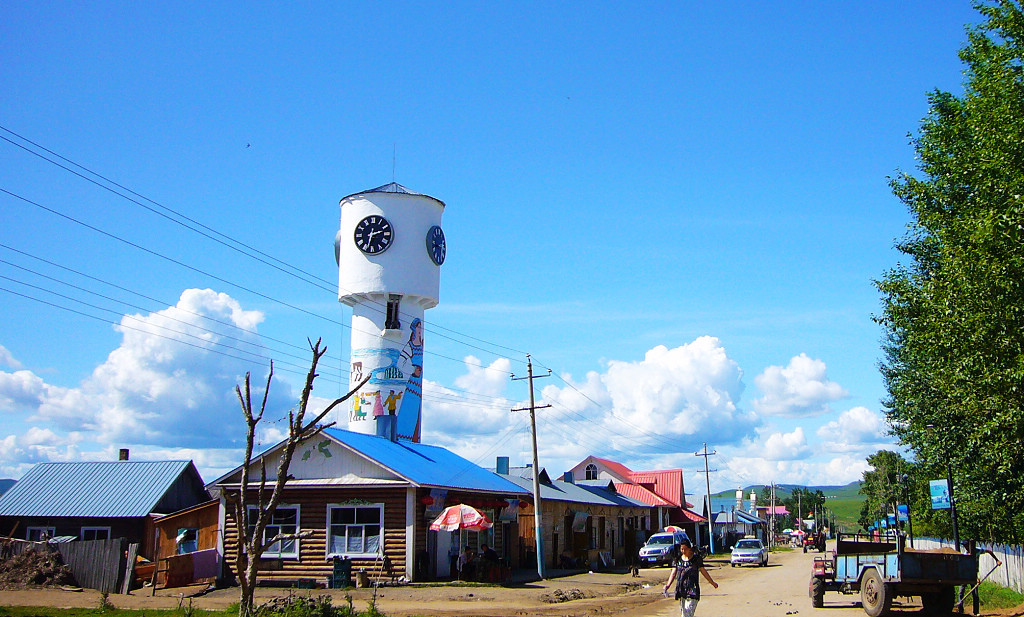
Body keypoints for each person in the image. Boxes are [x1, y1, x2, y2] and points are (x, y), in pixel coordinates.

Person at [663, 538, 718, 617]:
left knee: (687, 615)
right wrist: (668, 585)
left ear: (689, 549)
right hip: (681, 590)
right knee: (684, 614)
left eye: (685, 549)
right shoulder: (678, 560)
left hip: (693, 590)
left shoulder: (696, 560)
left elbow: (703, 572)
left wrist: (712, 583)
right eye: (681, 549)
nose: (683, 551)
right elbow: (673, 573)